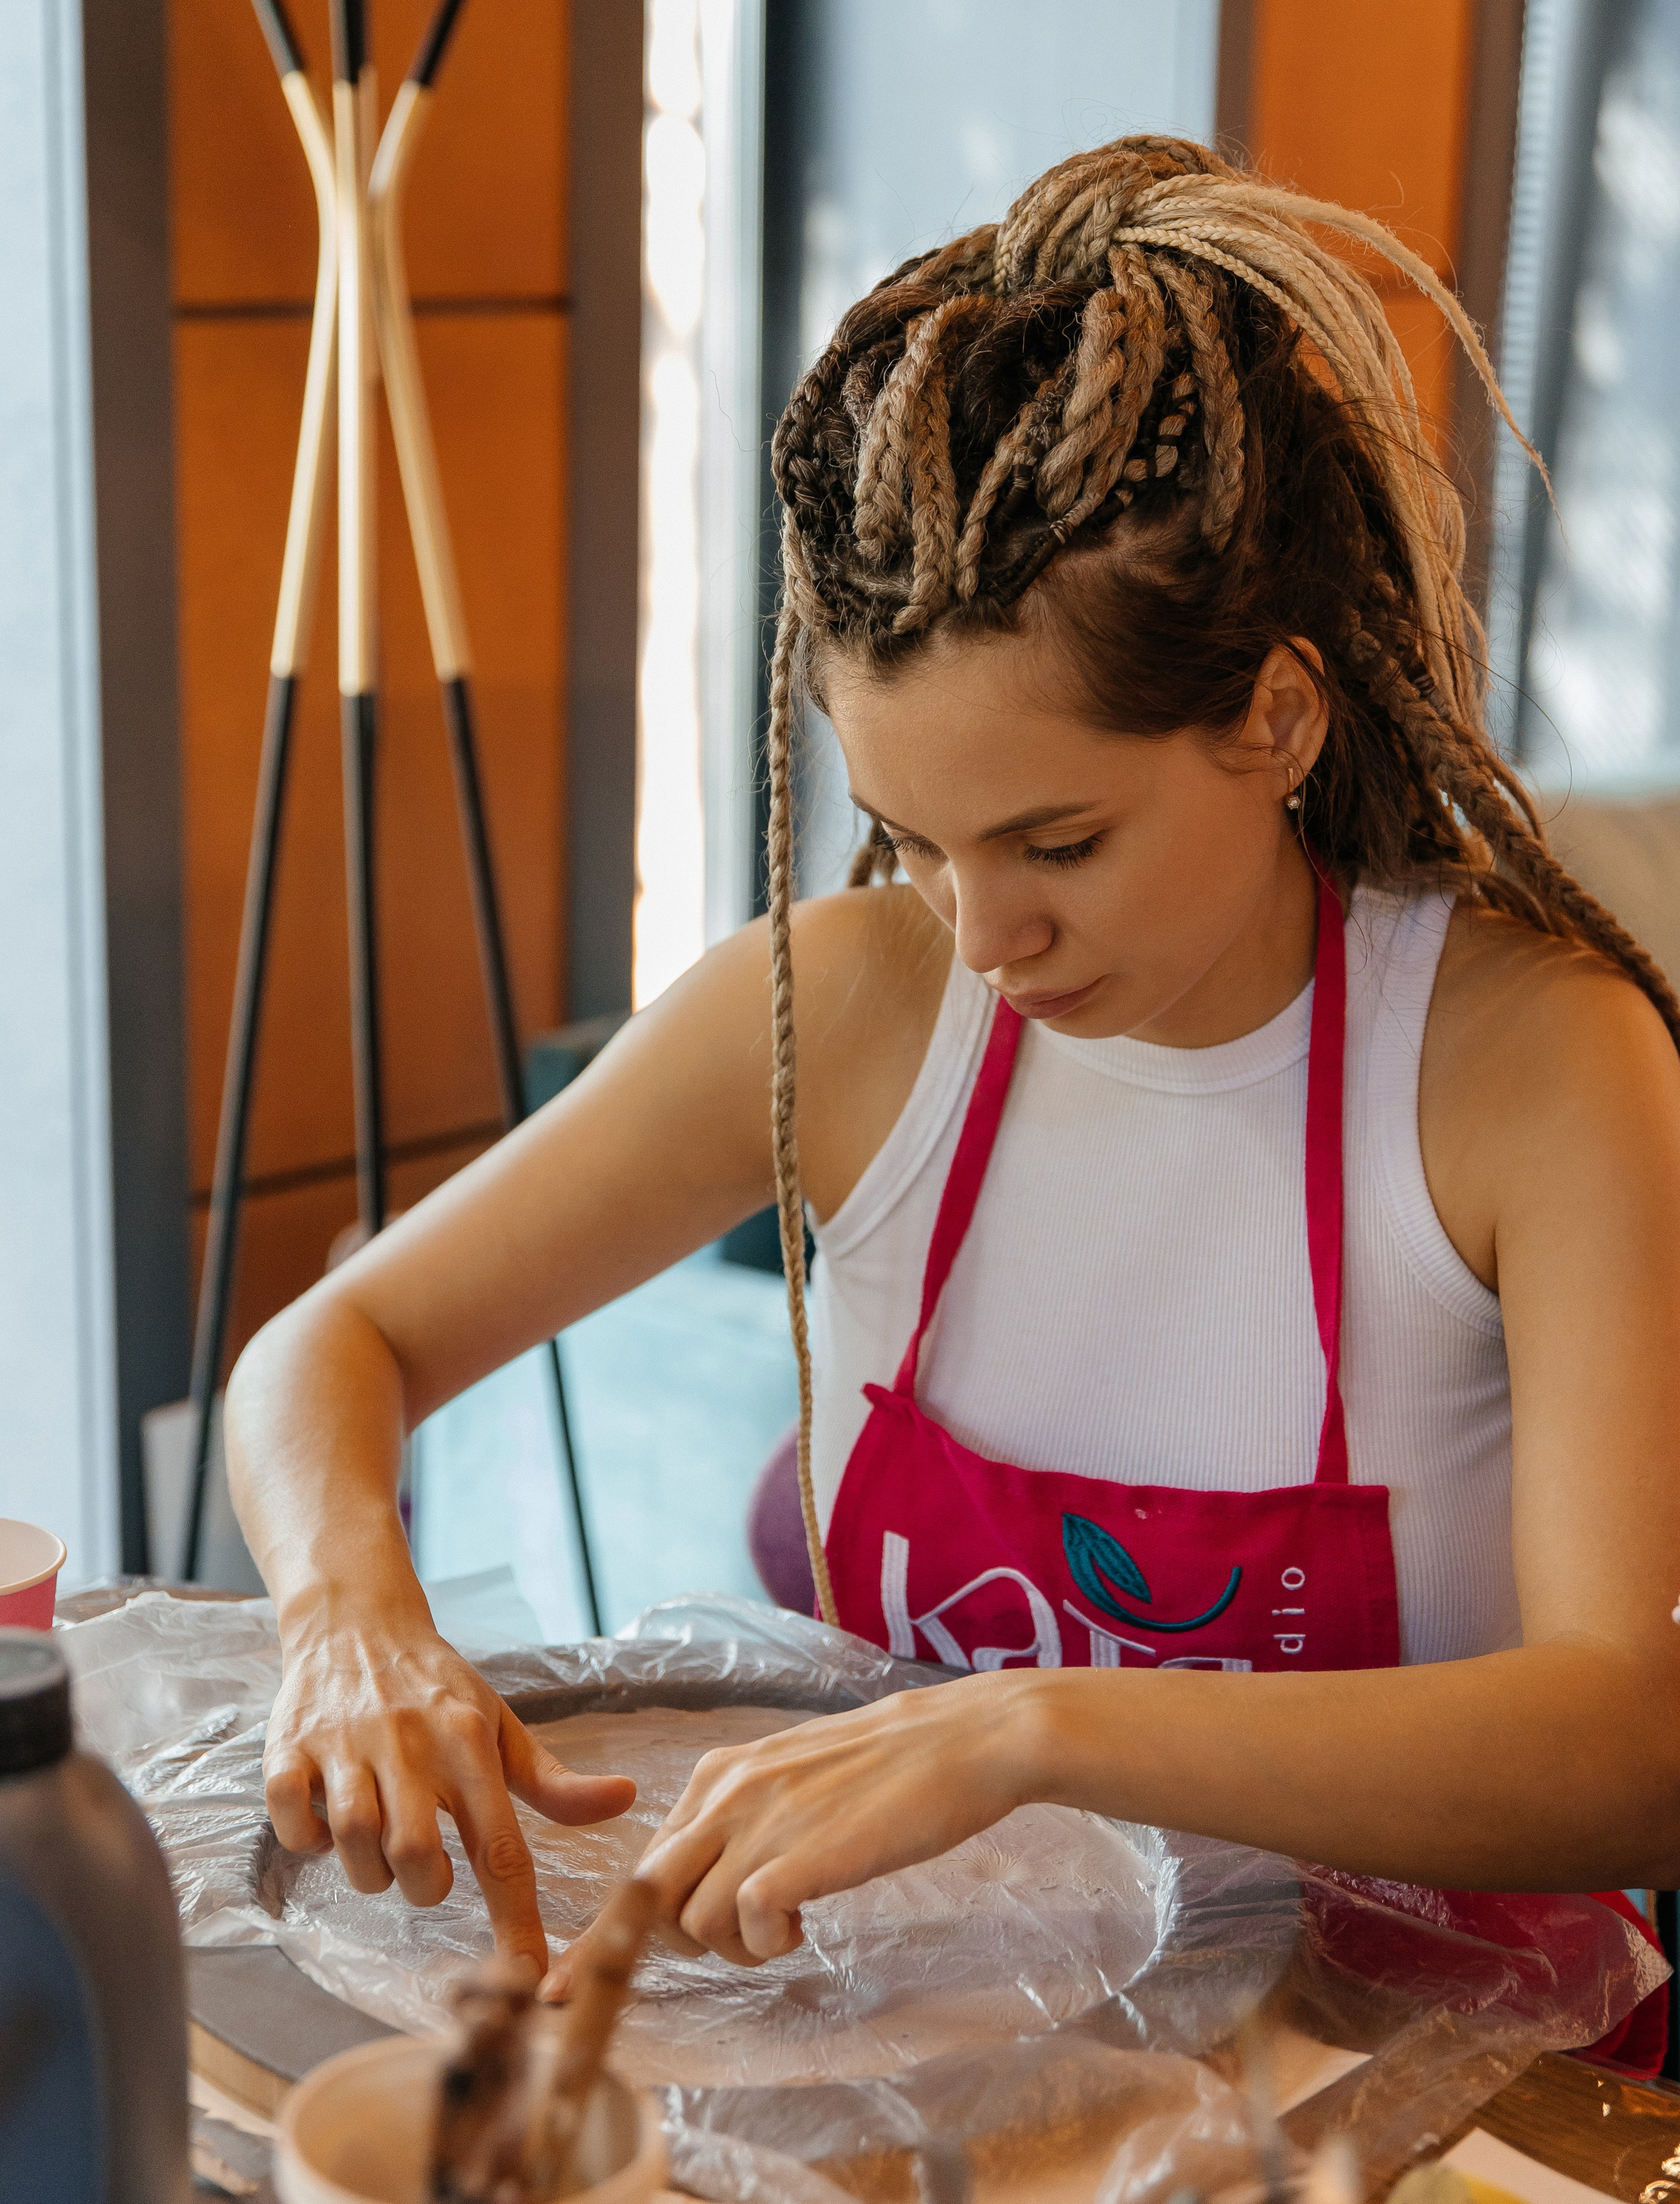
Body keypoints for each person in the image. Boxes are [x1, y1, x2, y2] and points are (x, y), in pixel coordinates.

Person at [226, 138, 1679, 2053]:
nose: (983, 934)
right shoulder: (851, 1014)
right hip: (962, 2049)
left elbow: (1626, 1748)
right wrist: (347, 1612)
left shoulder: (1527, 1068)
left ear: (1277, 717)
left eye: (1056, 841)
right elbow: (337, 1340)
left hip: (1429, 2085)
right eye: (911, 838)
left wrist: (1032, 1724)